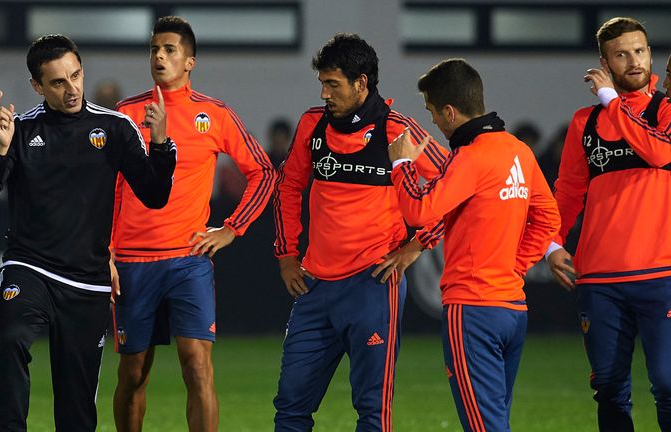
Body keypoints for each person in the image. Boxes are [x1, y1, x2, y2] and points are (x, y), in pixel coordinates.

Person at [0, 34, 176, 431]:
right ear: (38, 86)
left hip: (87, 281)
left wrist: (162, 144)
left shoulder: (114, 128)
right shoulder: (21, 130)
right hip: (30, 268)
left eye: (76, 75)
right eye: (58, 82)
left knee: (76, 408)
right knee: (11, 340)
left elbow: (155, 194)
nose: (72, 88)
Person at [272, 33, 449, 431]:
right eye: (322, 83)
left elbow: (456, 185)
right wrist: (286, 256)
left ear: (362, 83)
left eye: (333, 84)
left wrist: (416, 247)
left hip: (373, 285)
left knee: (372, 410)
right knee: (290, 406)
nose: (324, 93)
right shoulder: (312, 125)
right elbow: (287, 187)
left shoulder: (398, 131)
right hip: (314, 289)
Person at [110, 16, 274, 432]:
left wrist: (232, 227)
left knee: (197, 368)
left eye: (169, 50)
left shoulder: (213, 115)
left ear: (189, 62)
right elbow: (105, 189)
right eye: (154, 49)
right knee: (133, 374)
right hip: (132, 261)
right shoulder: (125, 115)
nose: (159, 57)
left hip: (188, 259)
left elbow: (265, 173)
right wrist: (104, 250)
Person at [388, 58, 560, 431]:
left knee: (484, 426)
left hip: (472, 310)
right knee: (495, 421)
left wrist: (401, 165)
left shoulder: (471, 157)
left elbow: (420, 210)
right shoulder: (517, 150)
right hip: (513, 307)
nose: (432, 120)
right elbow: (548, 218)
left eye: (432, 111)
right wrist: (516, 267)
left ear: (450, 111)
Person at [546, 17, 671, 431]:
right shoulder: (586, 122)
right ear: (605, 61)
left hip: (662, 273)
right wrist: (552, 244)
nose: (633, 61)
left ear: (651, 54)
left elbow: (656, 153)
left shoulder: (666, 111)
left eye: (640, 51)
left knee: (668, 385)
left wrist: (608, 99)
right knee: (609, 387)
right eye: (622, 54)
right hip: (599, 279)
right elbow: (567, 192)